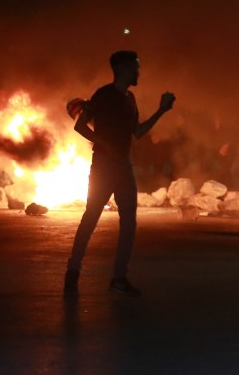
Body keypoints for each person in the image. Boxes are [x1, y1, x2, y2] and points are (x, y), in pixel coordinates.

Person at [64, 50, 175, 297]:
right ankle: (73, 269)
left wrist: (161, 110)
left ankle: (119, 278)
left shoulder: (130, 98)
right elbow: (80, 126)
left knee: (129, 223)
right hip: (103, 166)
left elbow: (137, 132)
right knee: (91, 217)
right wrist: (105, 144)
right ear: (124, 68)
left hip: (123, 166)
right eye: (136, 67)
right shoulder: (103, 95)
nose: (139, 72)